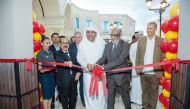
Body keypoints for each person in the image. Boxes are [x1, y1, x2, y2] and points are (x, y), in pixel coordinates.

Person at [95, 28, 131, 109]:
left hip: (121, 77)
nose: (113, 37)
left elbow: (119, 60)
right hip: (110, 77)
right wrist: (96, 65)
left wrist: (104, 68)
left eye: (116, 35)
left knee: (125, 98)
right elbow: (103, 58)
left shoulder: (125, 45)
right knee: (110, 98)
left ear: (120, 35)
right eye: (112, 35)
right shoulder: (107, 45)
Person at [135, 22, 164, 109]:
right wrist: (137, 67)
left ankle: (152, 108)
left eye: (151, 28)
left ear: (155, 29)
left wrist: (162, 70)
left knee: (154, 93)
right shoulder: (141, 40)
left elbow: (163, 56)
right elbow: (138, 55)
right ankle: (145, 107)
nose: (148, 30)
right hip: (143, 71)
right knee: (144, 92)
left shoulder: (161, 41)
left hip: (155, 72)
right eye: (147, 28)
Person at [77, 26, 107, 109]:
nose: (90, 34)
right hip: (88, 74)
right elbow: (79, 58)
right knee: (89, 93)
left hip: (100, 73)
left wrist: (99, 66)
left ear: (96, 34)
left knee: (101, 93)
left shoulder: (102, 44)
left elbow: (105, 57)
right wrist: (87, 65)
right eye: (88, 32)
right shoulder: (82, 45)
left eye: (92, 32)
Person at [55, 38, 81, 109]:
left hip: (74, 80)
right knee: (64, 100)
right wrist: (65, 62)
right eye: (63, 43)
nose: (65, 44)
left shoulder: (73, 52)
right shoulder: (57, 53)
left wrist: (79, 72)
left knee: (73, 99)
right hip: (63, 81)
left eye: (67, 43)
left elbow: (78, 63)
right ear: (60, 44)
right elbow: (58, 59)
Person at [36, 36, 55, 109]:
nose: (48, 44)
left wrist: (54, 66)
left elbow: (53, 63)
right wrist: (47, 69)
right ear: (42, 43)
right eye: (46, 43)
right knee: (46, 94)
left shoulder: (50, 52)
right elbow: (40, 68)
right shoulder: (40, 54)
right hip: (44, 76)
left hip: (51, 74)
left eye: (49, 43)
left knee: (50, 94)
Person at [69, 31, 85, 106]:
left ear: (81, 37)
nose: (78, 39)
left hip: (83, 69)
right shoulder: (70, 45)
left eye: (79, 37)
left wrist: (81, 69)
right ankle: (74, 100)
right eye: (76, 37)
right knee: (73, 87)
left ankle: (83, 100)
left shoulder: (85, 45)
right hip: (74, 69)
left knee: (82, 86)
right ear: (74, 38)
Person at [129, 32, 143, 105]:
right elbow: (131, 56)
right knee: (135, 84)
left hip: (144, 68)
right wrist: (136, 65)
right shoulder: (133, 45)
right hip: (135, 68)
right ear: (136, 37)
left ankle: (141, 100)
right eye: (137, 36)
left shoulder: (145, 45)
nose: (139, 37)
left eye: (140, 36)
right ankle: (133, 99)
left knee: (142, 84)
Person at [49, 33, 60, 108]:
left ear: (59, 38)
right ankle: (52, 101)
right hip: (53, 70)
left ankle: (60, 96)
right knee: (52, 85)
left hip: (62, 70)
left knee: (61, 84)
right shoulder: (49, 47)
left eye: (57, 37)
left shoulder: (62, 46)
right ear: (51, 39)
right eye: (54, 37)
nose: (55, 38)